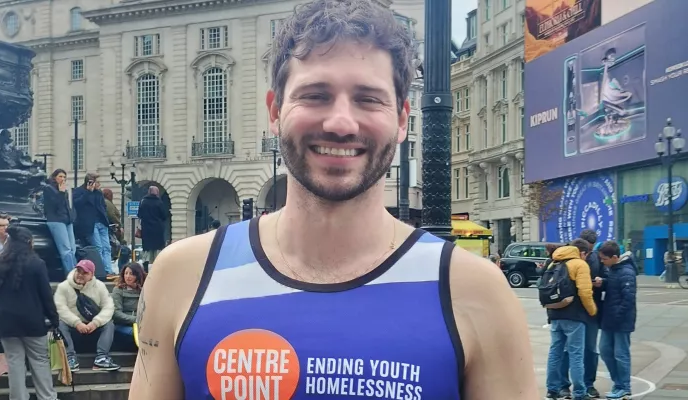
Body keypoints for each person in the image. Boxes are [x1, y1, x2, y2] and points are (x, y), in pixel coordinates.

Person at [128, 1, 537, 398]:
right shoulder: (182, 275)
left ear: (400, 119)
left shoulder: (475, 291)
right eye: (315, 95)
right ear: (275, 112)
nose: (341, 122)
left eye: (368, 98)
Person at [0, 225, 59, 400]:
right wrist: (54, 318)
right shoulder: (37, 263)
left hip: (5, 322)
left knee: (14, 363)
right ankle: (47, 397)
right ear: (28, 242)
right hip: (32, 321)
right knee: (40, 361)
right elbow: (46, 295)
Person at [544, 239, 597, 400]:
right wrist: (592, 311)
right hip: (574, 316)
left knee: (555, 353)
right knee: (576, 354)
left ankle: (552, 389)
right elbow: (585, 292)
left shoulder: (554, 263)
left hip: (555, 314)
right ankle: (579, 392)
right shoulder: (579, 265)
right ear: (582, 252)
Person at [558, 230, 606, 399]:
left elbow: (605, 276)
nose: (588, 254)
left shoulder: (594, 257)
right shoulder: (565, 257)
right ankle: (564, 385)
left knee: (590, 349)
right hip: (573, 310)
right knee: (567, 350)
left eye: (591, 250)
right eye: (587, 251)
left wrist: (602, 281)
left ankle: (588, 384)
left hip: (590, 308)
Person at [53, 259, 120, 372]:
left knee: (109, 324)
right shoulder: (63, 287)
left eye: (85, 273)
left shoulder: (100, 286)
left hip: (92, 327)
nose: (80, 275)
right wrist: (77, 323)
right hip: (73, 328)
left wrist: (95, 322)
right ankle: (70, 358)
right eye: (78, 271)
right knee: (60, 323)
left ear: (91, 275)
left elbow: (109, 307)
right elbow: (60, 308)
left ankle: (101, 358)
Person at [597, 241, 637, 400]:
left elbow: (628, 299)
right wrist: (603, 283)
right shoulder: (614, 269)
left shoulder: (626, 272)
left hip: (621, 321)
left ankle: (624, 387)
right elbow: (614, 286)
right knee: (605, 351)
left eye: (604, 259)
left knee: (621, 354)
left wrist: (617, 316)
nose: (602, 262)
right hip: (610, 319)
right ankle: (618, 383)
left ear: (614, 257)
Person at [72, 173, 114, 276]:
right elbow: (77, 204)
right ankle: (101, 271)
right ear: (89, 182)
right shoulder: (79, 191)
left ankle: (109, 270)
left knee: (107, 247)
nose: (98, 184)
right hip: (90, 224)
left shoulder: (98, 193)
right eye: (96, 182)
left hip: (102, 222)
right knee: (98, 247)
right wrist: (87, 192)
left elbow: (102, 205)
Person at [43, 169, 78, 274]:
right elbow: (54, 205)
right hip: (56, 220)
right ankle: (71, 273)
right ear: (54, 177)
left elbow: (67, 206)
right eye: (60, 176)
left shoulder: (63, 189)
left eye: (64, 177)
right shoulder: (48, 188)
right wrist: (61, 193)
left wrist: (72, 216)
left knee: (72, 248)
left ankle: (75, 271)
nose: (62, 179)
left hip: (67, 220)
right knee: (66, 249)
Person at [111, 262, 146, 336]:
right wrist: (135, 319)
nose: (128, 276)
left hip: (143, 323)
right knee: (137, 334)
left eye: (131, 274)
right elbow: (116, 313)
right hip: (123, 324)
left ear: (138, 275)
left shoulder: (145, 289)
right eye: (126, 273)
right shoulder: (118, 290)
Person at [136, 186, 168, 264]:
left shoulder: (143, 201)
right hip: (157, 230)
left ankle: (146, 265)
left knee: (147, 249)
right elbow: (164, 216)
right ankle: (156, 264)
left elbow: (139, 214)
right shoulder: (159, 202)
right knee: (157, 249)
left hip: (146, 229)